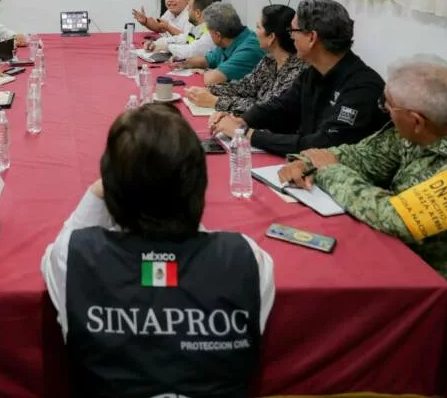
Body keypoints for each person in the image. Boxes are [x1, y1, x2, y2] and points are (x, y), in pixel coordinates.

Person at [41, 103, 274, 397]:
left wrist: (101, 189)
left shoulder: (74, 257)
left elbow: (63, 246)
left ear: (112, 190)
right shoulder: (249, 260)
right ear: (199, 184)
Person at [277, 54, 447, 362]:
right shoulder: (425, 130)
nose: (384, 110)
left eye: (388, 106)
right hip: (396, 266)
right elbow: (362, 156)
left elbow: (395, 218)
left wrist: (330, 171)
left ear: (416, 120)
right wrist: (307, 161)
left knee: (326, 325)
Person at [208, 0, 389, 156]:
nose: (291, 37)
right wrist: (242, 120)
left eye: (293, 31)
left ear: (311, 37)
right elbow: (280, 107)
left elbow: (322, 144)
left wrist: (247, 134)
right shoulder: (313, 72)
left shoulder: (362, 88)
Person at [185, 5, 306, 112]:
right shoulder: (269, 60)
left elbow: (266, 108)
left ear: (271, 37)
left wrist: (215, 101)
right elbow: (246, 86)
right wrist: (211, 91)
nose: (255, 32)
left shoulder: (297, 72)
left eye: (258, 27)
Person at [174, 2, 265, 87]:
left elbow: (211, 79)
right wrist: (185, 63)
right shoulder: (228, 41)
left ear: (218, 35)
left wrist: (205, 72)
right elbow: (208, 59)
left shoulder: (249, 49)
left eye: (209, 32)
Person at [144, 0, 217, 59]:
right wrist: (157, 43)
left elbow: (190, 51)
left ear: (197, 13)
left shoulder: (210, 34)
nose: (187, 9)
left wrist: (167, 47)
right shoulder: (197, 28)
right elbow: (181, 39)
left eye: (189, 7)